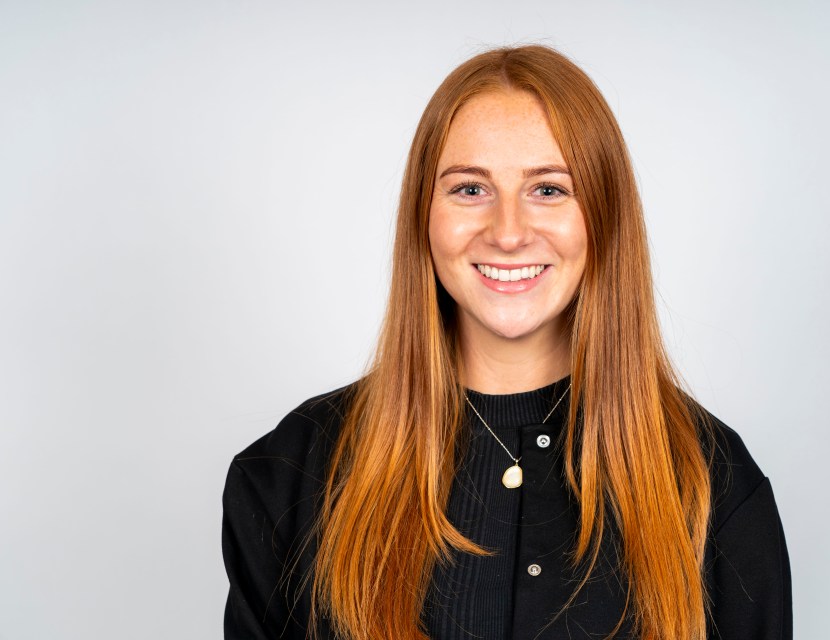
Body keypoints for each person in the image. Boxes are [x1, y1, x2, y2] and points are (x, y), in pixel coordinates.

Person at [222, 45, 792, 640]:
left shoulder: (711, 484)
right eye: (470, 189)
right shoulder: (286, 476)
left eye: (549, 190)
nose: (509, 232)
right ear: (424, 213)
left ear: (603, 215)